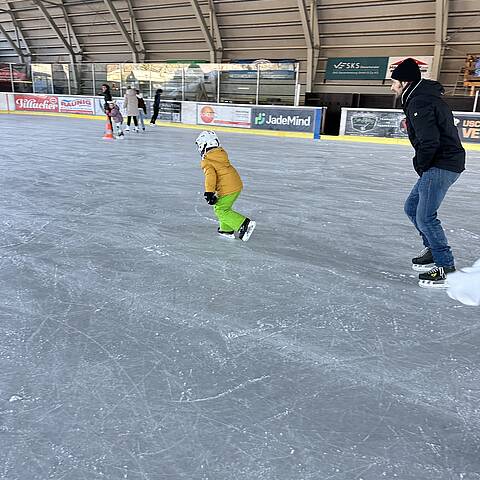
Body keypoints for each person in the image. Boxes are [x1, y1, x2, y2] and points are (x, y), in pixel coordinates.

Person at [390, 58, 465, 288]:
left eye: (393, 82)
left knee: (425, 216)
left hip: (442, 163)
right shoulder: (419, 98)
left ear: (404, 82)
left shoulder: (419, 102)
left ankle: (445, 266)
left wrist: (421, 165)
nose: (391, 87)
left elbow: (429, 141)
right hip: (440, 162)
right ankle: (433, 251)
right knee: (412, 208)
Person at [195, 131, 256, 242]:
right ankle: (226, 230)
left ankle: (243, 224)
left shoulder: (207, 161)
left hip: (228, 188)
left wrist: (209, 192)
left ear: (203, 145)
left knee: (220, 210)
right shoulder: (220, 154)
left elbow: (210, 176)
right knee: (222, 207)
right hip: (235, 184)